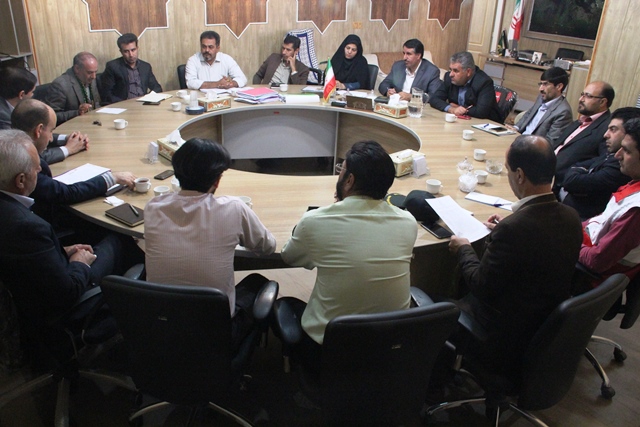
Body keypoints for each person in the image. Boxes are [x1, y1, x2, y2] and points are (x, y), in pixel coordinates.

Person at [448, 135, 582, 381]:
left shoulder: (515, 228)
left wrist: (464, 248)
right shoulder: (572, 217)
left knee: (435, 306)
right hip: (541, 326)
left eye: (508, 170)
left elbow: (480, 285)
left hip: (500, 332)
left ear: (519, 175)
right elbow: (536, 245)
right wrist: (502, 230)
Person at [278, 140, 417, 374]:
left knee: (287, 304)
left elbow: (289, 258)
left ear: (349, 180)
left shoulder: (315, 221)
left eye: (341, 170)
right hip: (388, 350)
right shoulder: (408, 222)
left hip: (329, 354)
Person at [0, 129, 140, 339]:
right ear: (20, 180)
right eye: (36, 168)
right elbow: (68, 292)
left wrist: (61, 251)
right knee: (121, 238)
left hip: (28, 290)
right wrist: (79, 263)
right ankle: (138, 311)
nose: (41, 169)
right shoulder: (27, 227)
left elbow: (26, 260)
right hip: (60, 308)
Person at [144, 138, 276, 343]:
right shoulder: (233, 208)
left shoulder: (153, 207)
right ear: (217, 181)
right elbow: (268, 247)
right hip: (217, 335)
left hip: (162, 327)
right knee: (256, 282)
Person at [11, 99, 135, 228]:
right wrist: (112, 178)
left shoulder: (12, 144)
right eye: (51, 131)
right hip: (51, 223)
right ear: (39, 130)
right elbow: (67, 193)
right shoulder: (27, 166)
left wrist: (67, 138)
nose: (51, 138)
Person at [580, 118, 640, 280]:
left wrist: (568, 240)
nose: (617, 155)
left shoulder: (636, 211)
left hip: (586, 278)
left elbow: (596, 261)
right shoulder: (634, 183)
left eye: (626, 151)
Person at [560, 107, 640, 219]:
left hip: (579, 219)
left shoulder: (622, 166)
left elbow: (573, 181)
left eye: (613, 129)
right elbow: (578, 165)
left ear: (628, 133)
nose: (605, 135)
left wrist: (579, 172)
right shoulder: (610, 153)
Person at [553, 81, 614, 191]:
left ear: (602, 102)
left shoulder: (607, 129)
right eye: (582, 94)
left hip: (561, 184)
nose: (581, 99)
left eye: (588, 96)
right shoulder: (580, 121)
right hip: (544, 171)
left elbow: (600, 162)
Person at [429, 51, 501, 122]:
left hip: (486, 124)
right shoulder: (449, 78)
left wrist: (459, 108)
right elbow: (434, 99)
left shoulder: (484, 82)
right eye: (450, 69)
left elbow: (481, 112)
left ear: (468, 72)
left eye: (456, 71)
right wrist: (451, 109)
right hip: (461, 121)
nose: (451, 74)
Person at [509, 67, 573, 145]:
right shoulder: (542, 96)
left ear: (559, 86)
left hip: (532, 146)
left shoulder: (563, 112)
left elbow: (550, 142)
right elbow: (529, 113)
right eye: (541, 84)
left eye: (545, 84)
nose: (540, 89)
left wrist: (524, 141)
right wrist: (516, 128)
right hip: (519, 138)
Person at [100, 33, 163, 104]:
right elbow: (106, 94)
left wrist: (149, 97)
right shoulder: (112, 67)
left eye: (133, 50)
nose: (131, 55)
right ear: (121, 52)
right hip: (124, 105)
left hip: (144, 104)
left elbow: (157, 88)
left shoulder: (145, 67)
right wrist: (125, 103)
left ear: (137, 48)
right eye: (126, 51)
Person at [46, 52, 101, 125]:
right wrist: (77, 112)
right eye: (89, 72)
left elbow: (97, 103)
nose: (94, 76)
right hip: (72, 127)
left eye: (95, 72)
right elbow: (52, 116)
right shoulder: (60, 85)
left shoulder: (91, 79)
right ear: (77, 69)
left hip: (92, 122)